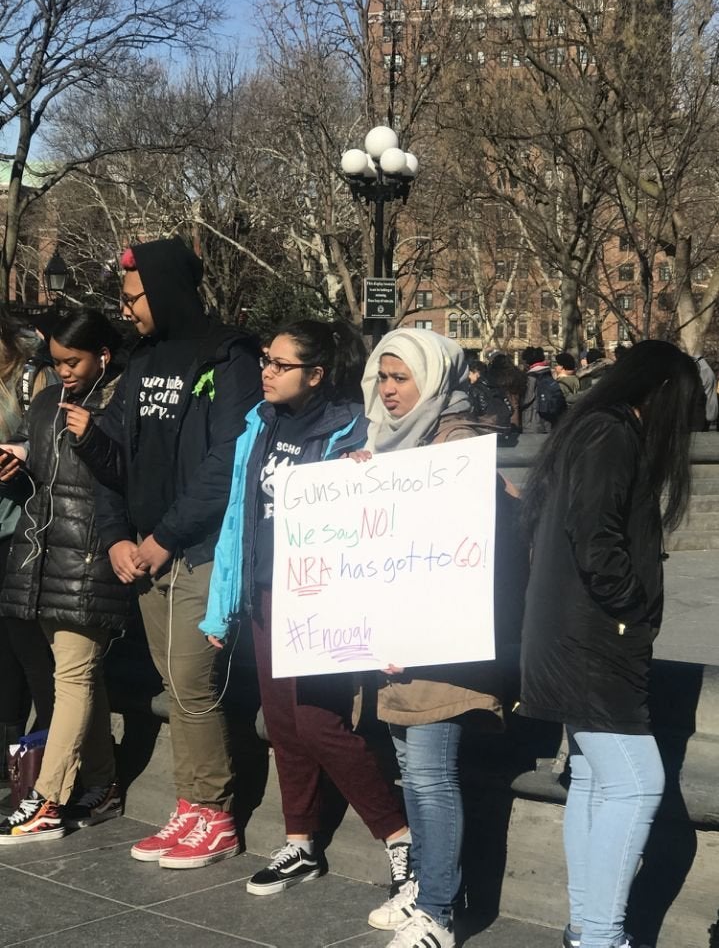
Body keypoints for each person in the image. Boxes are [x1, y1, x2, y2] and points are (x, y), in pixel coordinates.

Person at [200, 319, 411, 897]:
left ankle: (399, 837)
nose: (265, 371)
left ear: (316, 375)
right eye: (266, 359)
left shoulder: (350, 429)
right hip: (268, 592)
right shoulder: (260, 422)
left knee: (320, 722)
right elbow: (239, 516)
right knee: (285, 725)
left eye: (280, 364)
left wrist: (366, 474)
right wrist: (224, 606)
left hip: (324, 596)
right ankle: (300, 842)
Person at [73, 238, 262, 868]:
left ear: (165, 290)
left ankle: (214, 814)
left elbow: (227, 461)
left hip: (198, 549)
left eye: (133, 298)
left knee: (191, 682)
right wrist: (118, 538)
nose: (126, 311)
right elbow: (114, 460)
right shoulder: (142, 357)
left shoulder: (227, 354)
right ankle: (189, 806)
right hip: (145, 552)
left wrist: (163, 538)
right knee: (175, 685)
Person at [518, 340, 702, 948]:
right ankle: (600, 936)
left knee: (598, 783)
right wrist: (633, 605)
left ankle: (588, 929)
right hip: (592, 641)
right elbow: (597, 539)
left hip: (573, 637)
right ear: (665, 392)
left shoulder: (588, 428)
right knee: (638, 783)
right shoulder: (612, 434)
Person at [357, 328, 506, 948]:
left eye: (401, 379)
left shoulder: (460, 441)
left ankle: (439, 912)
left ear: (434, 379)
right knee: (409, 768)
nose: (389, 391)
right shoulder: (380, 440)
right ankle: (426, 885)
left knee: (428, 775)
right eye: (382, 378)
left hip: (441, 647)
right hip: (396, 640)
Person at [0, 310, 136, 843]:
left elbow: (134, 477)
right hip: (43, 552)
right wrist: (19, 457)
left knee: (73, 675)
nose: (63, 372)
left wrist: (97, 438)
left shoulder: (120, 400)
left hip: (92, 554)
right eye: (55, 362)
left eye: (72, 361)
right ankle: (101, 784)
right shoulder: (45, 399)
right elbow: (47, 469)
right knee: (82, 676)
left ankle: (47, 798)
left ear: (102, 354)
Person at [0, 324, 58, 780]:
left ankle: (34, 756)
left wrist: (19, 451)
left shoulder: (32, 375)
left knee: (23, 642)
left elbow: (56, 440)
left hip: (20, 528)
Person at [520, 346, 566, 432]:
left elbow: (526, 400)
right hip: (549, 422)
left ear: (527, 362)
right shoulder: (548, 375)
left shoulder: (531, 377)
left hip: (532, 423)